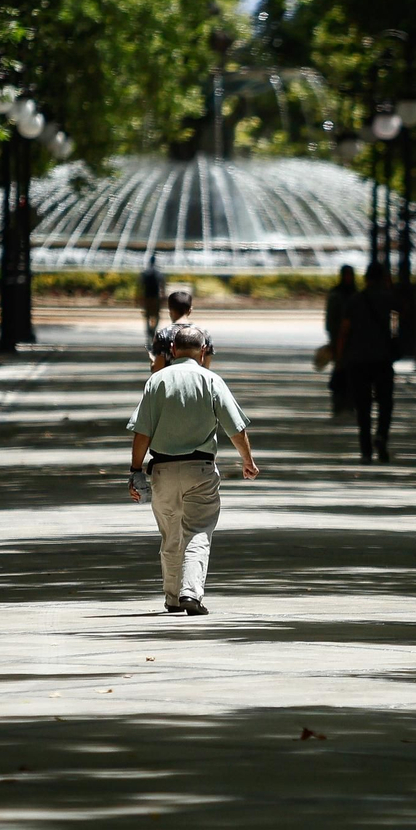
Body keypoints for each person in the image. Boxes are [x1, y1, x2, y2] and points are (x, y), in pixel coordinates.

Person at [126, 324, 259, 615]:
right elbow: (235, 428)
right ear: (202, 352)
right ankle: (191, 593)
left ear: (172, 350)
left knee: (171, 534)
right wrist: (247, 461)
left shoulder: (156, 382)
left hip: (161, 470)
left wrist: (135, 470)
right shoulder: (211, 381)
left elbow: (142, 433)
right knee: (198, 531)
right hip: (200, 470)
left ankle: (173, 597)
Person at [337, 262, 396, 463]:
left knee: (363, 406)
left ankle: (366, 450)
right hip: (382, 358)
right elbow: (401, 318)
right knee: (385, 402)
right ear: (382, 278)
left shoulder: (355, 300)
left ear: (365, 278)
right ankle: (381, 435)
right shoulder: (389, 299)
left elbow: (345, 330)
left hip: (357, 359)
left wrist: (339, 357)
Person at [150, 288, 213, 373]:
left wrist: (152, 363)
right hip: (196, 383)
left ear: (170, 310)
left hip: (170, 383)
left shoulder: (163, 334)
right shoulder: (204, 334)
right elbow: (206, 368)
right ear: (190, 310)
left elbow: (158, 369)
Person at [324, 265, 357, 415]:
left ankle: (348, 402)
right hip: (340, 337)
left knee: (349, 371)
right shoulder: (339, 294)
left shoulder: (354, 294)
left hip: (352, 339)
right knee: (340, 368)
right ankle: (340, 402)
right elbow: (331, 320)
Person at [139, 255, 166, 342]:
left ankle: (148, 330)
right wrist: (163, 296)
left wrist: (139, 297)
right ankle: (153, 329)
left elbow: (140, 286)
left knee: (147, 316)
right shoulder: (159, 273)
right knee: (157, 315)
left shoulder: (144, 273)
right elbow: (162, 286)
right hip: (155, 297)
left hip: (147, 297)